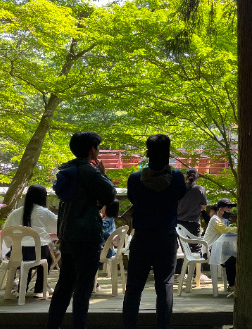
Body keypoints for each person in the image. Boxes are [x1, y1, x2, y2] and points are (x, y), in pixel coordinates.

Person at [47, 131, 116, 329]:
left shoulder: (67, 170)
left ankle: (53, 325)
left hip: (68, 234)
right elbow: (109, 194)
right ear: (91, 149)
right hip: (86, 236)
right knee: (83, 288)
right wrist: (104, 175)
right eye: (98, 147)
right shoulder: (89, 171)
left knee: (64, 284)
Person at [122, 134, 187, 329]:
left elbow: (134, 199)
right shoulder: (176, 178)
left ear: (147, 153)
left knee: (134, 287)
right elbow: (180, 194)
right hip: (166, 236)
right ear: (168, 153)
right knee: (165, 286)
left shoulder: (134, 179)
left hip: (142, 236)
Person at [3, 184, 57, 298]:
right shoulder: (44, 212)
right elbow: (57, 226)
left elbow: (6, 232)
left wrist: (9, 247)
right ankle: (39, 290)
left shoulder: (15, 213)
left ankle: (21, 289)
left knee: (24, 262)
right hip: (37, 252)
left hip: (17, 252)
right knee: (47, 258)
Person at [175, 168, 207, 274]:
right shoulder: (200, 189)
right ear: (197, 177)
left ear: (186, 177)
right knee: (196, 248)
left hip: (179, 223)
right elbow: (203, 206)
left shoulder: (179, 189)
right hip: (193, 222)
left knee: (185, 249)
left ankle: (186, 273)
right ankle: (197, 274)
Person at [204, 198, 238, 292]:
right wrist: (240, 229)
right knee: (230, 259)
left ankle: (236, 283)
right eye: (228, 208)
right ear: (220, 209)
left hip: (219, 248)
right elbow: (224, 230)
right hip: (210, 249)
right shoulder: (215, 219)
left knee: (237, 256)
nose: (230, 210)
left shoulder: (224, 220)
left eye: (231, 208)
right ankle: (232, 285)